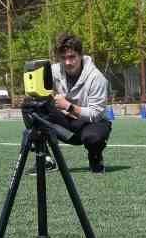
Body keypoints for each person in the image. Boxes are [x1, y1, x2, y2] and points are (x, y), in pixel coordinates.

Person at [48, 33, 113, 173]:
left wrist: (68, 106)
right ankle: (46, 160)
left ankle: (95, 156)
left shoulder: (96, 78)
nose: (67, 62)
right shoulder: (54, 71)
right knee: (30, 106)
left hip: (89, 124)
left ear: (81, 55)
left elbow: (96, 114)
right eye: (63, 58)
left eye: (72, 57)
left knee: (93, 137)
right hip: (66, 123)